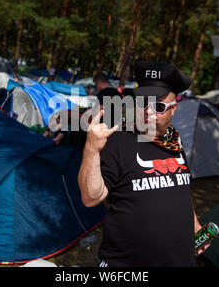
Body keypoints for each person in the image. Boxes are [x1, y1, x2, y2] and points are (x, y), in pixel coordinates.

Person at [78, 60, 208, 267]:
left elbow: (181, 189)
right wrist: (91, 149)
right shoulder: (118, 140)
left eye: (158, 106)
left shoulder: (175, 141)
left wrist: (195, 226)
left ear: (173, 109)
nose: (148, 111)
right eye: (142, 103)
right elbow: (90, 198)